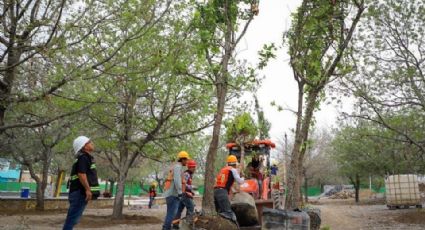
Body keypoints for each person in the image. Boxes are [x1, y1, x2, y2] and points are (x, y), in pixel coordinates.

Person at [63, 136, 100, 230]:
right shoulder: (83, 157)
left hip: (77, 193)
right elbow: (81, 174)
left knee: (73, 220)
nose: (92, 143)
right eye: (89, 142)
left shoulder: (83, 157)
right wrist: (88, 190)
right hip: (79, 193)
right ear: (84, 146)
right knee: (71, 220)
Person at [162, 151, 190, 230]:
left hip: (170, 194)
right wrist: (180, 192)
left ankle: (165, 228)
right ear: (182, 159)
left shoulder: (176, 167)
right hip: (173, 195)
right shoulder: (178, 167)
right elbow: (177, 180)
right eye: (186, 160)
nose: (187, 161)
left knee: (169, 214)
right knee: (172, 214)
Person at [214, 155, 245, 223]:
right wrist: (243, 177)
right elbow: (239, 181)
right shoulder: (232, 170)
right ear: (235, 163)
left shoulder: (223, 169)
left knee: (218, 212)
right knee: (228, 214)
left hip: (215, 191)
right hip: (222, 192)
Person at [172, 160, 197, 229]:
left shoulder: (189, 174)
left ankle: (175, 225)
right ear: (190, 167)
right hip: (184, 194)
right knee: (191, 207)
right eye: (194, 167)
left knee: (179, 209)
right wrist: (192, 187)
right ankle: (187, 224)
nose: (195, 169)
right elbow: (183, 184)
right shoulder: (187, 174)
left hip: (183, 194)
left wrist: (191, 191)